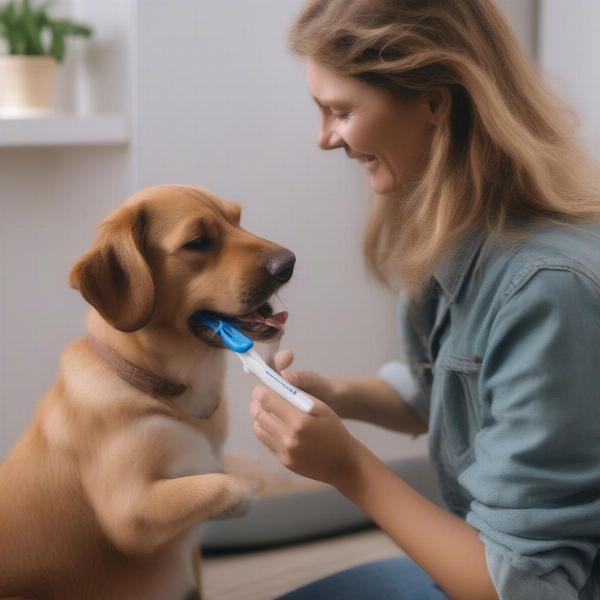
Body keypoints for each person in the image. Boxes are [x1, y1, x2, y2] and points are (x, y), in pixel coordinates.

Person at [249, 1, 600, 599]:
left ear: (437, 100)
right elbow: (442, 388)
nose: (325, 138)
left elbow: (526, 587)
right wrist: (334, 396)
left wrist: (347, 467)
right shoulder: (460, 235)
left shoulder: (545, 290)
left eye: (342, 111)